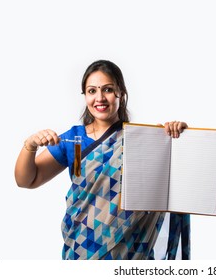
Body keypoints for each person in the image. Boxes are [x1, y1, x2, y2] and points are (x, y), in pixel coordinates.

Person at [14, 60, 190, 260]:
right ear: (85, 96)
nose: (99, 98)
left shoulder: (143, 139)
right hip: (81, 247)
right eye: (91, 91)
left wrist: (177, 138)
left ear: (120, 93)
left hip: (130, 253)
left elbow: (175, 178)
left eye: (107, 89)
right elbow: (26, 180)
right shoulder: (74, 139)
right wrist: (30, 145)